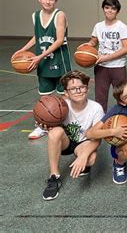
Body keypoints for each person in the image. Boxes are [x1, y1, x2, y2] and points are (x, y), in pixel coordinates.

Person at [13, 0, 71, 140]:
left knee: (64, 95)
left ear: (55, 1)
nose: (47, 1)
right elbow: (37, 36)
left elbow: (59, 40)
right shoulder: (35, 15)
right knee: (44, 95)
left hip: (59, 60)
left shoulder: (60, 15)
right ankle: (42, 125)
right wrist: (23, 50)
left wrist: (39, 57)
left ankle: (65, 124)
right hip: (43, 61)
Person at [41, 70, 103, 201]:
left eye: (82, 87)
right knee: (54, 132)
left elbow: (97, 138)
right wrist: (44, 123)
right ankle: (54, 176)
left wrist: (83, 156)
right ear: (66, 93)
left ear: (87, 88)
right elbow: (45, 117)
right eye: (73, 89)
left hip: (83, 143)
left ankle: (83, 164)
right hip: (65, 141)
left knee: (90, 159)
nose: (78, 91)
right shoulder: (60, 105)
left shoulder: (96, 108)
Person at [84, 0, 127, 112]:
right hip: (101, 67)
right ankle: (101, 122)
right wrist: (87, 45)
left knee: (122, 96)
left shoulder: (122, 27)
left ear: (117, 11)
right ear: (103, 9)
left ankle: (123, 118)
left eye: (113, 9)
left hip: (117, 66)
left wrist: (106, 58)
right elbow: (94, 41)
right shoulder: (98, 26)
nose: (109, 11)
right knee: (100, 98)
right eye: (107, 8)